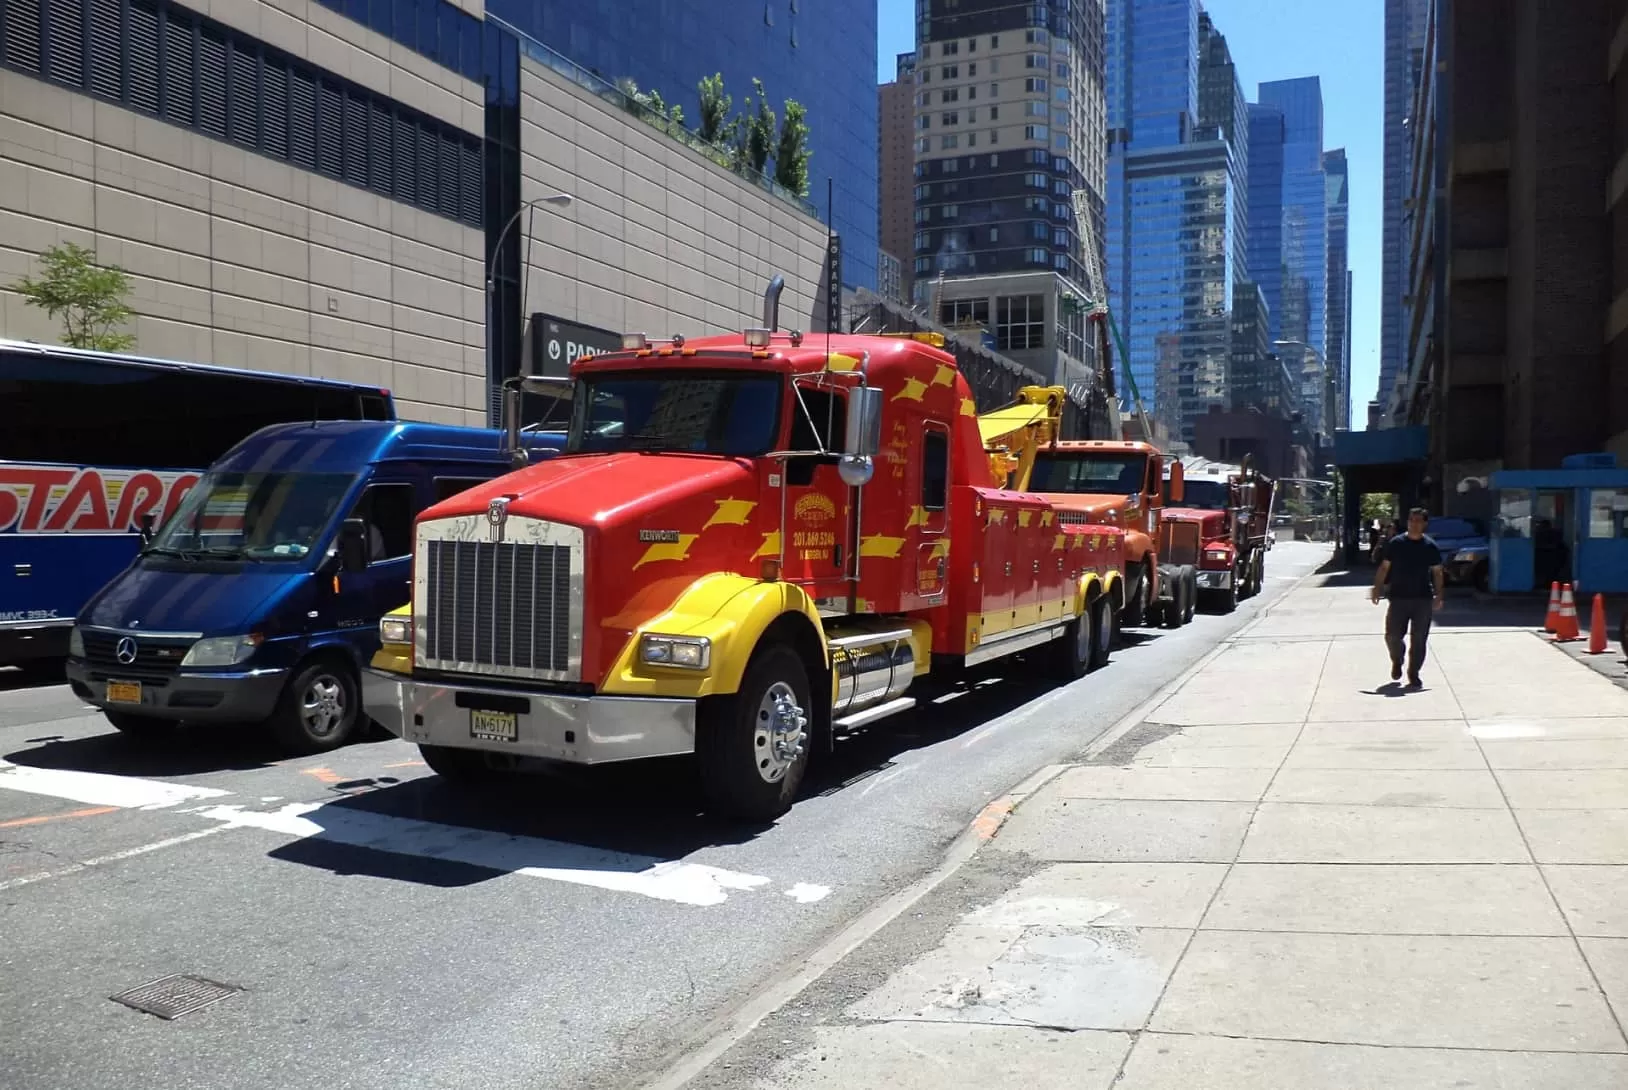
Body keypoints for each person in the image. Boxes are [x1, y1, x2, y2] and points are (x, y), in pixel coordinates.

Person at [1370, 506, 1445, 688]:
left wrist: (1439, 595)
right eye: (1412, 520)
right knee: (1392, 636)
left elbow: (1437, 572)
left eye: (1419, 520)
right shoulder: (1396, 543)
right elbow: (1384, 567)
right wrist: (1377, 587)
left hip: (1422, 599)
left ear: (1425, 524)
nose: (1414, 524)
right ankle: (1397, 659)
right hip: (1398, 598)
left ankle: (1414, 673)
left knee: (1419, 639)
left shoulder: (1430, 546)